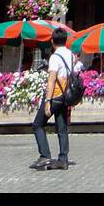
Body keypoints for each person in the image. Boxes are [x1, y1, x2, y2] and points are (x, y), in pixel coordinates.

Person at [31, 27, 75, 171]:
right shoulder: (70, 55)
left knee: (38, 124)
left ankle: (45, 156)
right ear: (66, 40)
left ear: (52, 41)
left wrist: (47, 101)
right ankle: (63, 159)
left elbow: (51, 80)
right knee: (61, 127)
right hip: (65, 95)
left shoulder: (55, 57)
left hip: (55, 95)